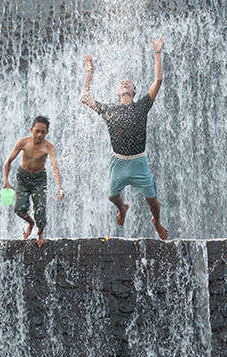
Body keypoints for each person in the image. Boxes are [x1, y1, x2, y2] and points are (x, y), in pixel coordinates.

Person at [80, 37, 168, 240]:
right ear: (118, 92)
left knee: (153, 201)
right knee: (113, 196)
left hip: (138, 161)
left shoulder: (142, 105)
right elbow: (84, 97)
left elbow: (158, 81)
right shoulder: (108, 109)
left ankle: (157, 222)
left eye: (129, 84)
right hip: (118, 162)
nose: (125, 84)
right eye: (122, 84)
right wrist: (89, 73)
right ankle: (123, 208)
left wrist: (157, 53)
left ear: (134, 91)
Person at [3, 116, 64, 247]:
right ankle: (30, 223)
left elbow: (55, 167)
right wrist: (6, 180)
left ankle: (40, 234)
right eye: (37, 131)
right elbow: (8, 162)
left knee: (40, 211)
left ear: (47, 132)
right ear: (32, 130)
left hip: (39, 180)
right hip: (23, 178)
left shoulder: (49, 147)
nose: (40, 134)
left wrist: (59, 187)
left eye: (43, 132)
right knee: (19, 209)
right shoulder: (23, 142)